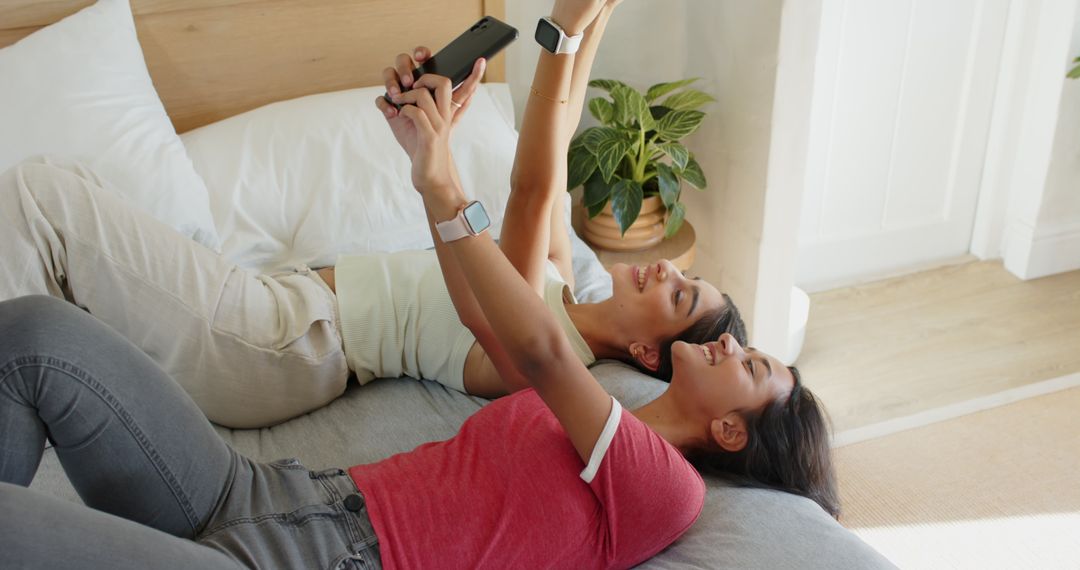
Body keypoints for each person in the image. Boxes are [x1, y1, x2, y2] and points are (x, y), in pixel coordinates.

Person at [0, 0, 744, 429]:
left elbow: (533, 184)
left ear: (650, 356)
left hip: (282, 343)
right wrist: (595, 20)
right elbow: (560, 127)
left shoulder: (544, 349)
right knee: (61, 190)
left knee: (41, 198)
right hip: (278, 315)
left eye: (677, 295)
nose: (656, 269)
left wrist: (561, 24)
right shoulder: (557, 289)